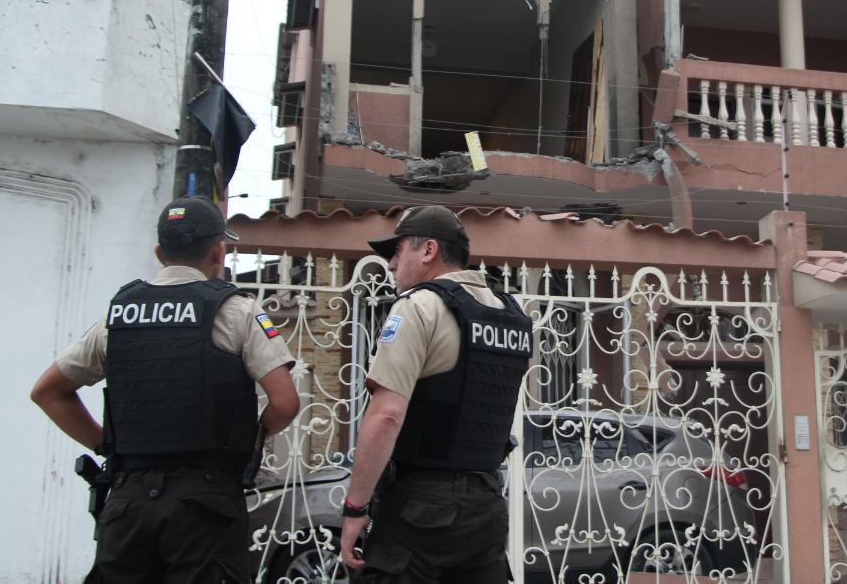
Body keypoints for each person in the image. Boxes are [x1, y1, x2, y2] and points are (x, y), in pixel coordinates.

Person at [30, 196, 300, 584]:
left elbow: (48, 392)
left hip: (127, 502)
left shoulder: (119, 313)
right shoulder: (237, 310)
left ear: (160, 253)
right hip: (205, 503)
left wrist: (107, 447)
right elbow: (286, 403)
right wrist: (253, 437)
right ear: (219, 251)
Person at [339, 205, 532, 584]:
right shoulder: (511, 315)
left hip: (420, 511)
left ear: (428, 250)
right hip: (486, 508)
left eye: (396, 252)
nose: (392, 265)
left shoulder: (419, 306)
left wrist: (355, 507)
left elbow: (387, 416)